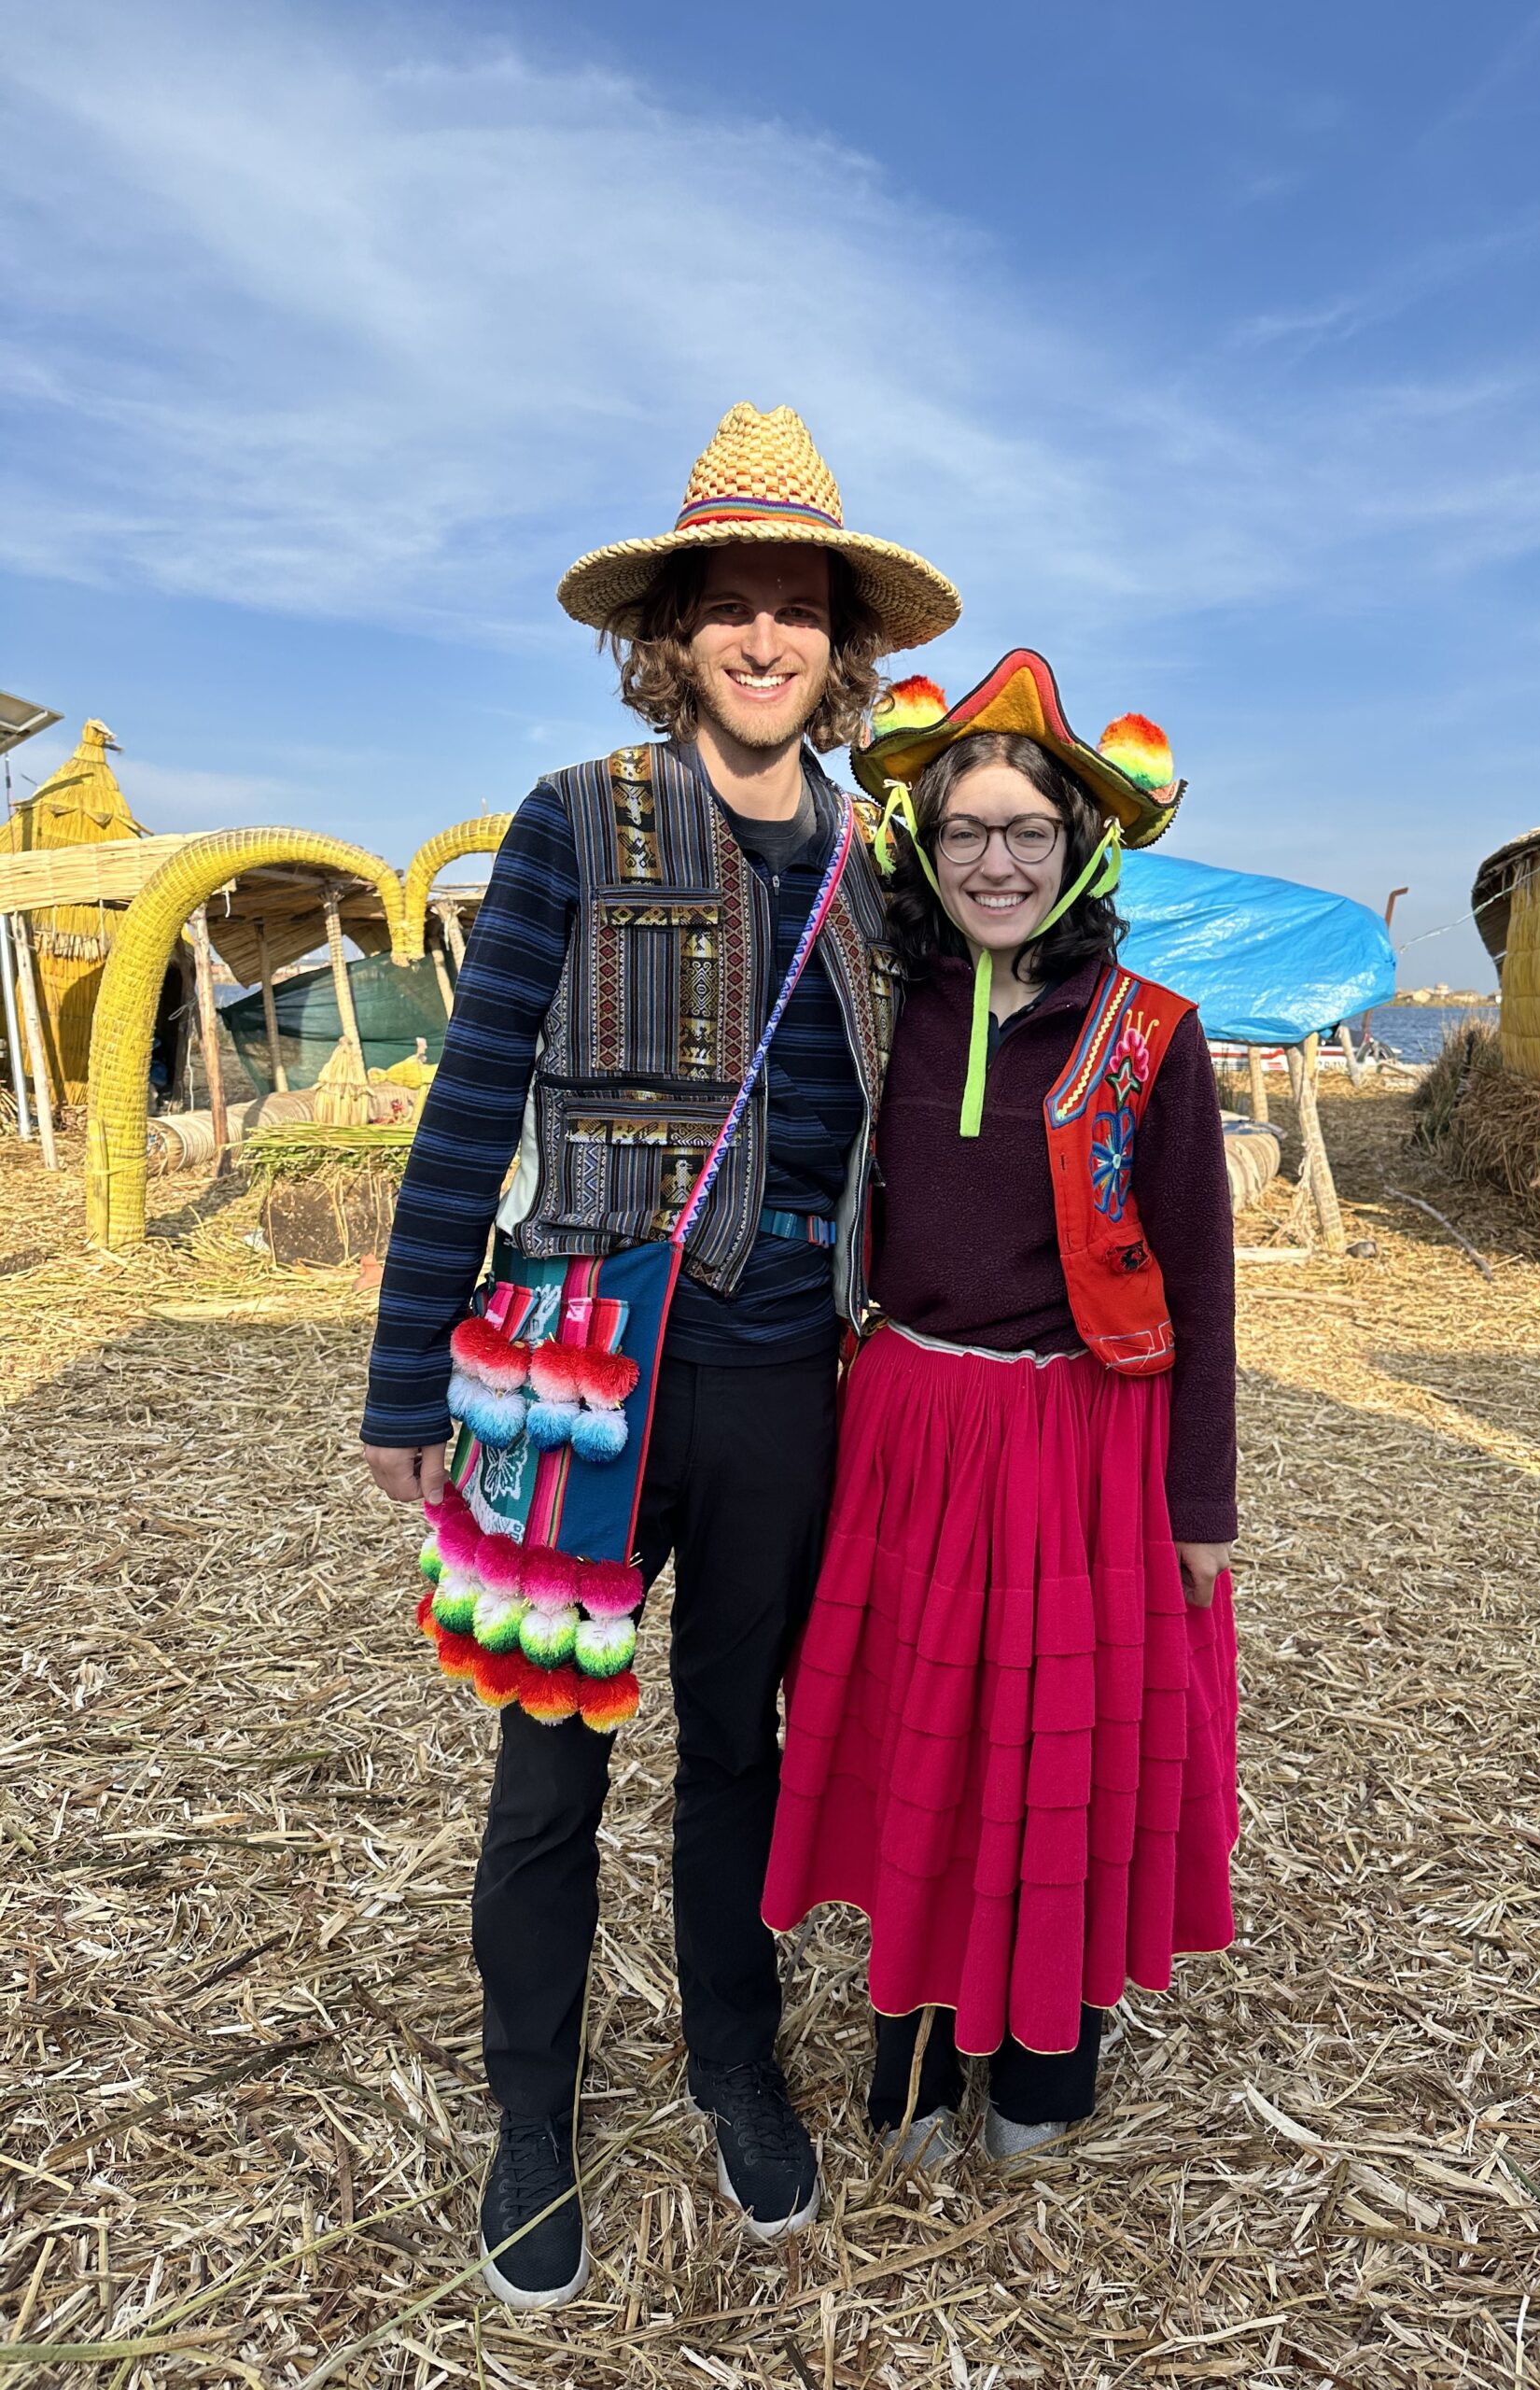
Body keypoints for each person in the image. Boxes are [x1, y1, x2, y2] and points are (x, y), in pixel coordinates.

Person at [361, 404, 958, 2305]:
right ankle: (531, 2113)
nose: (764, 637)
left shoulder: (878, 859)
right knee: (551, 1761)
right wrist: (403, 1376)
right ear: (674, 632)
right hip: (584, 1366)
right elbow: (472, 1100)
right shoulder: (576, 816)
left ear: (839, 646)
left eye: (799, 608)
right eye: (731, 605)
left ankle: (730, 2061)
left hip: (789, 1376)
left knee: (741, 1749)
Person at [763, 650, 1239, 2161]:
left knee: (1063, 1759)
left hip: (1082, 1444)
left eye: (1029, 831)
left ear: (1082, 846)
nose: (996, 861)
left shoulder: (1148, 1033)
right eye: (965, 829)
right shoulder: (877, 1010)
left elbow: (1201, 1283)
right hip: (907, 1429)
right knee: (926, 1748)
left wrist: (1201, 1501)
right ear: (922, 843)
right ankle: (909, 2058)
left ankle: (1043, 2061)